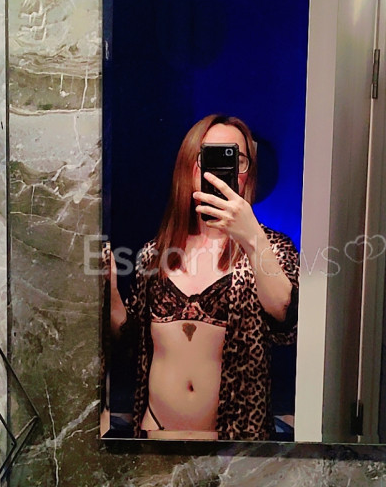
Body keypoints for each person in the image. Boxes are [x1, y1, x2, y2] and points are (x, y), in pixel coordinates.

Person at [109, 113, 299, 440]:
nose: (219, 169)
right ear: (188, 167)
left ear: (247, 173)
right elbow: (131, 344)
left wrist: (252, 237)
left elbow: (286, 323)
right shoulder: (154, 253)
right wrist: (110, 291)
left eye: (236, 159)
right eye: (208, 156)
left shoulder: (274, 247)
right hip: (157, 434)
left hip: (235, 441)